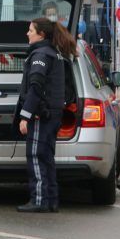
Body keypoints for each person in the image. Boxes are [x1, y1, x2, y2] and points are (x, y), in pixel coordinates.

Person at [15, 17, 76, 213]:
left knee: (36, 155)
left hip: (41, 115)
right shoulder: (55, 54)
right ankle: (50, 199)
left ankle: (39, 200)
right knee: (47, 157)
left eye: (30, 30)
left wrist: (25, 116)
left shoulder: (40, 55)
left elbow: (35, 87)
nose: (27, 33)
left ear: (41, 34)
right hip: (53, 114)